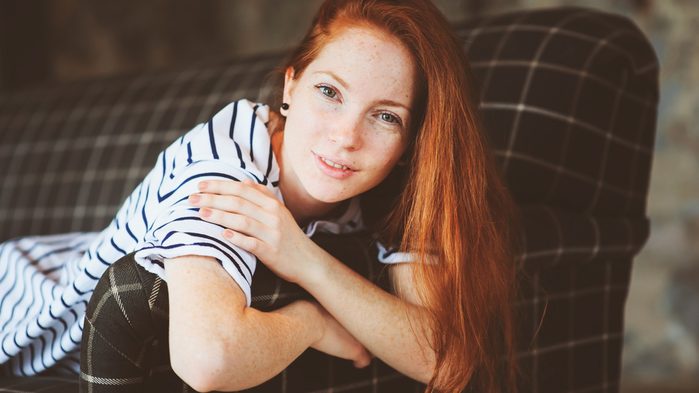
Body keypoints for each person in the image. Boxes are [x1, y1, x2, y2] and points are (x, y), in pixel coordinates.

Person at [0, 1, 521, 392]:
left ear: (411, 141)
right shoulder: (225, 160)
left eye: (386, 116)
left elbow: (444, 363)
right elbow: (207, 360)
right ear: (291, 87)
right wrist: (311, 323)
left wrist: (305, 261)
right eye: (330, 92)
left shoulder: (404, 186)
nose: (346, 136)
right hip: (19, 308)